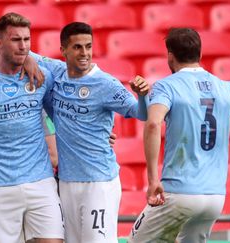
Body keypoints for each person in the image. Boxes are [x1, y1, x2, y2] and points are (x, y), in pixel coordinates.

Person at [128, 28, 230, 243]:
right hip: (214, 197)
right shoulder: (227, 88)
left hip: (178, 193)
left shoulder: (166, 86)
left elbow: (152, 124)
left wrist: (152, 180)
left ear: (170, 55)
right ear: (200, 53)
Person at [29, 22, 149, 243]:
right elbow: (25, 53)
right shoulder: (57, 72)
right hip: (66, 182)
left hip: (98, 182)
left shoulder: (106, 84)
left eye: (88, 46)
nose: (84, 53)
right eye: (77, 47)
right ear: (63, 50)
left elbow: (140, 114)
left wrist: (143, 95)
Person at [0, 13, 64, 243]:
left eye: (27, 40)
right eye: (16, 40)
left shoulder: (41, 75)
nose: (23, 46)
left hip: (41, 183)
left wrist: (94, 137)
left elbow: (61, 117)